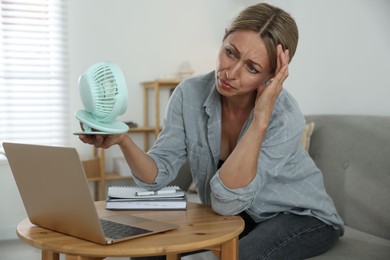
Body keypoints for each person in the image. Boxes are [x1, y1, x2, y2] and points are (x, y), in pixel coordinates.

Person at [80, 3, 344, 260]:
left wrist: (260, 120)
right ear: (223, 40)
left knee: (241, 256)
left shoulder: (284, 117)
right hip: (240, 215)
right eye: (230, 52)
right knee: (149, 252)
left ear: (271, 77)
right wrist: (123, 140)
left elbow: (226, 202)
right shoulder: (189, 94)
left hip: (301, 216)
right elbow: (156, 178)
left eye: (252, 68)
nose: (231, 72)